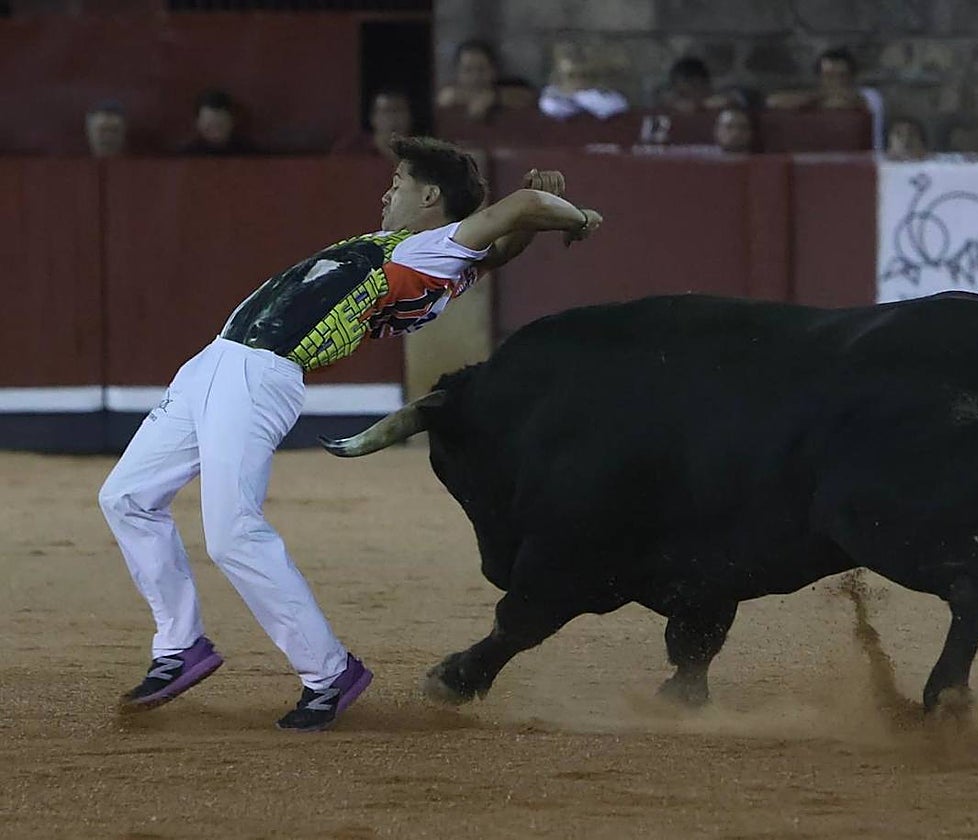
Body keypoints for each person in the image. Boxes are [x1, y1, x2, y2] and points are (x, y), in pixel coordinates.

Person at [98, 136, 604, 732]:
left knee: (232, 532)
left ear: (431, 196)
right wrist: (538, 218)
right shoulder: (431, 253)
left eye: (399, 183)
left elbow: (516, 209)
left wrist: (575, 217)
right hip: (214, 363)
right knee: (126, 497)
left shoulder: (430, 250)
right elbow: (503, 238)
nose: (386, 192)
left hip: (260, 372)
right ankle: (179, 645)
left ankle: (327, 672)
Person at [766, 47, 886, 150]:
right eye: (829, 76)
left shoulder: (870, 96)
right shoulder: (814, 97)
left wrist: (810, 103)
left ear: (852, 77)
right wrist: (817, 97)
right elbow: (773, 102)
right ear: (820, 78)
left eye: (842, 76)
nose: (836, 81)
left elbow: (841, 104)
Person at [436, 40, 536, 121]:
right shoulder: (448, 94)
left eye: (482, 69)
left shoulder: (512, 87)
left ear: (494, 70)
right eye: (468, 70)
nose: (475, 76)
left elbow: (529, 98)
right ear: (457, 73)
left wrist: (493, 98)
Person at [538, 48, 629, 121]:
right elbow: (551, 107)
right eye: (571, 76)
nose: (577, 80)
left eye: (582, 75)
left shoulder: (608, 97)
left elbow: (615, 107)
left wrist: (582, 95)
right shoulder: (552, 96)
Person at [331, 88, 412, 157]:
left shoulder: (419, 152)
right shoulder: (350, 149)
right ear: (373, 118)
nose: (393, 117)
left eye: (399, 110)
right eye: (386, 111)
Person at [180, 89, 255, 156]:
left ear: (232, 121)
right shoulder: (185, 156)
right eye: (209, 126)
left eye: (220, 126)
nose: (216, 133)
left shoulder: (251, 153)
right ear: (198, 123)